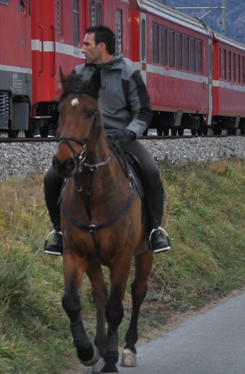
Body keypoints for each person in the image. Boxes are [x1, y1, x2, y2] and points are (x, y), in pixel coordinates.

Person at [43, 24, 172, 256]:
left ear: (102, 47)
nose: (82, 50)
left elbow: (143, 112)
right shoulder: (78, 75)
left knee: (151, 172)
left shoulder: (129, 75)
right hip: (85, 142)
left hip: (121, 140)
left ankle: (155, 231)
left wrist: (130, 132)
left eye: (86, 45)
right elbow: (66, 108)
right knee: (51, 177)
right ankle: (59, 233)